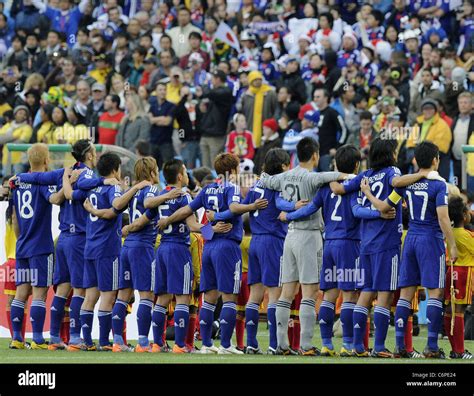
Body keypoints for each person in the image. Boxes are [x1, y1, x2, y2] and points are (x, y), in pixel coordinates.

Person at [280, 145, 392, 356]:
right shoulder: (355, 186)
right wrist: (380, 214)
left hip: (329, 244)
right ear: (357, 165)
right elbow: (357, 211)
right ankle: (348, 345)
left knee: (329, 295)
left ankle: (326, 344)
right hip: (349, 245)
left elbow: (310, 208)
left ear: (335, 165)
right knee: (349, 295)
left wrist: (289, 216)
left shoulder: (325, 187)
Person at [331, 137, 436, 357]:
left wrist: (332, 175)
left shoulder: (365, 176)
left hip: (365, 243)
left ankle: (358, 346)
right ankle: (379, 347)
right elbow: (398, 183)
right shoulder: (391, 172)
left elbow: (339, 189)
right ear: (391, 155)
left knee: (366, 292)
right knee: (385, 294)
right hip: (387, 243)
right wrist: (422, 174)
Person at [157, 153, 267, 354]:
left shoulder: (208, 188)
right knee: (229, 297)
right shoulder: (231, 187)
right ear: (233, 170)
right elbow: (234, 208)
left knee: (209, 298)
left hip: (208, 246)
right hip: (226, 246)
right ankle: (225, 345)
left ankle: (207, 345)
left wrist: (167, 220)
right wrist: (251, 206)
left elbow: (187, 211)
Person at [363, 142, 456, 358]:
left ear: (416, 160)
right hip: (430, 239)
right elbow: (443, 218)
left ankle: (400, 346)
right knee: (435, 292)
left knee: (406, 293)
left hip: (410, 239)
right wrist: (452, 244)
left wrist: (367, 193)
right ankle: (432, 346)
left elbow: (385, 206)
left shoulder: (406, 185)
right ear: (435, 160)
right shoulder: (439, 186)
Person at [259, 138, 349, 355]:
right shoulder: (313, 177)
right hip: (309, 236)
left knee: (287, 293)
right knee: (309, 293)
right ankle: (306, 345)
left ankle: (280, 345)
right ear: (316, 155)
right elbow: (334, 176)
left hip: (289, 237)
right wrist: (349, 175)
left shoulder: (284, 176)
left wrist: (287, 206)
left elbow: (264, 180)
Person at [73, 153, 151, 351]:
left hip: (90, 247)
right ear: (116, 169)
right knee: (108, 296)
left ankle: (86, 341)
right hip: (107, 248)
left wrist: (94, 210)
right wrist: (134, 188)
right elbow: (116, 205)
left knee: (90, 296)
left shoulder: (92, 186)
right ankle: (106, 343)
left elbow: (108, 211)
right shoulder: (112, 187)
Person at [9, 143, 65, 349]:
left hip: (22, 246)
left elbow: (14, 217)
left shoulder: (18, 182)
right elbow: (55, 199)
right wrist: (69, 184)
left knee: (21, 293)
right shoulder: (43, 183)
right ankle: (39, 339)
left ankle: (16, 338)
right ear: (47, 160)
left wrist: (21, 239)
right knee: (40, 293)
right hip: (41, 247)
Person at [444, 196, 474, 359]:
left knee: (450, 311)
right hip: (465, 273)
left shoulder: (449, 232)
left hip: (451, 272)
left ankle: (455, 348)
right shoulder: (466, 235)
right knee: (460, 311)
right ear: (464, 215)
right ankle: (460, 351)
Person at [406, 98, 452, 181]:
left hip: (437, 165)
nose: (428, 111)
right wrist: (415, 159)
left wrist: (419, 159)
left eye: (431, 108)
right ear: (422, 110)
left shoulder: (442, 125)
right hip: (418, 164)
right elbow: (410, 144)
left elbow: (441, 148)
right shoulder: (418, 124)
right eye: (425, 108)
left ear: (435, 110)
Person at [198, 70, 233, 169]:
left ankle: (217, 185)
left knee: (216, 167)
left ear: (218, 79)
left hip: (216, 135)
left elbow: (210, 93)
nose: (211, 81)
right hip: (205, 133)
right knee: (205, 168)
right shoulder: (215, 93)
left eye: (212, 79)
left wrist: (204, 85)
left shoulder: (226, 91)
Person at [312, 88, 347, 171]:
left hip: (327, 155)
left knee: (328, 181)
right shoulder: (315, 114)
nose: (315, 99)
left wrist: (337, 147)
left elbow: (344, 130)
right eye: (314, 97)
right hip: (315, 155)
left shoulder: (332, 113)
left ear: (326, 98)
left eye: (318, 97)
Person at [241, 70, 277, 148]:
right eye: (255, 80)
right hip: (250, 128)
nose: (257, 82)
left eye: (259, 79)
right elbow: (242, 112)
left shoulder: (270, 93)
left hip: (267, 128)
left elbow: (276, 109)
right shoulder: (246, 95)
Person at [148, 82, 176, 168]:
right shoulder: (152, 106)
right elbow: (150, 120)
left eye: (164, 90)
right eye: (160, 90)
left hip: (166, 143)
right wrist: (162, 118)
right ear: (156, 92)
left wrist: (155, 119)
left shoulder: (171, 105)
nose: (163, 92)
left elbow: (167, 121)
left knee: (168, 168)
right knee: (151, 168)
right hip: (153, 142)